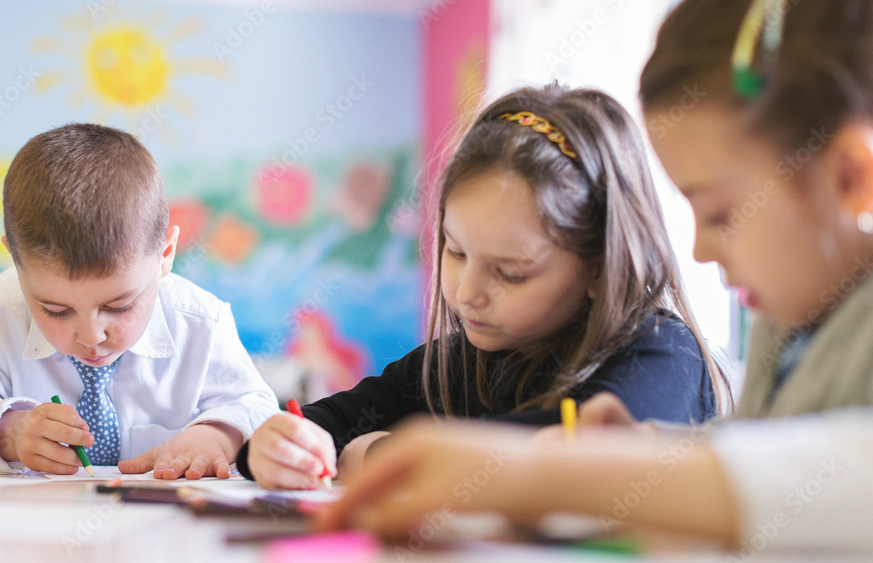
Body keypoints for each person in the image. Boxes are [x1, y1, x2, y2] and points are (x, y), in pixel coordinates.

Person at [319, 0, 873, 552]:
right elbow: (754, 454)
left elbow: (842, 475)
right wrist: (648, 450)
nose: (700, 250)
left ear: (852, 176)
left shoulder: (670, 348)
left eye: (721, 213)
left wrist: (552, 472)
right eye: (456, 252)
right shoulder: (788, 325)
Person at [238, 83, 728, 490]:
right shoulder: (454, 362)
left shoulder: (663, 355)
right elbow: (326, 422)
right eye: (455, 252)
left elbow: (559, 462)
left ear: (601, 267)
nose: (466, 293)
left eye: (510, 272)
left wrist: (375, 453)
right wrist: (275, 446)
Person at [0, 123, 280, 479]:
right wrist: (10, 432)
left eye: (119, 306)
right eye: (55, 310)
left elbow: (259, 407)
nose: (91, 336)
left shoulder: (201, 322)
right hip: (34, 527)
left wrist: (220, 434)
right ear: (16, 262)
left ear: (165, 254)